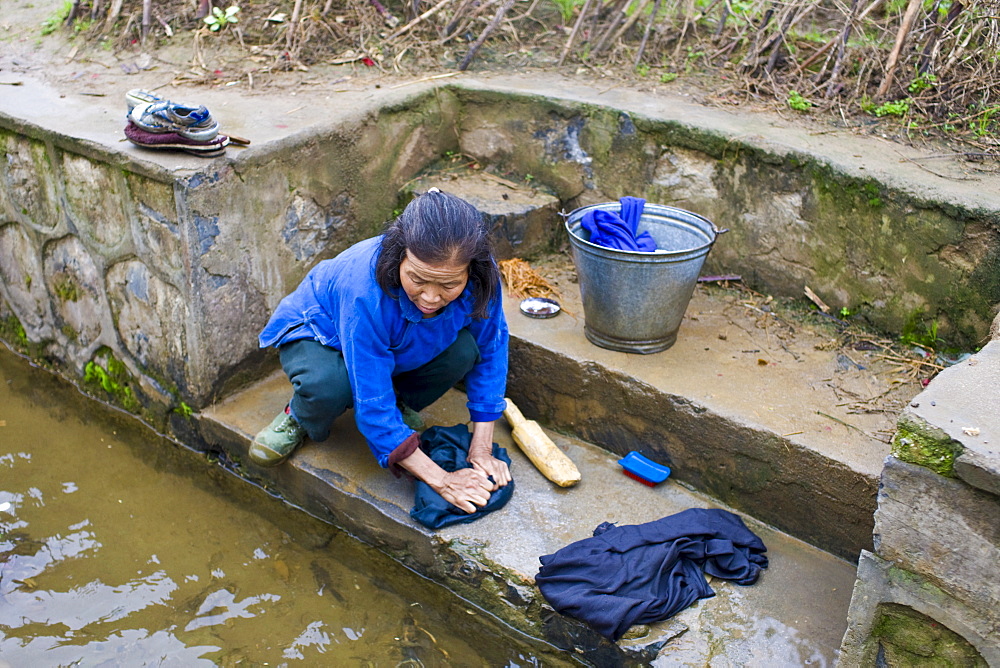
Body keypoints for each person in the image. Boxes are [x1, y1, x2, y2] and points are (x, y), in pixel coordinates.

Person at [252, 188, 512, 514]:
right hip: (322, 332)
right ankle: (300, 416)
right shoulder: (363, 289)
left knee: (465, 351)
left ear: (470, 270)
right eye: (417, 279)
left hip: (397, 338)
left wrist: (482, 448)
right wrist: (443, 480)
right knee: (330, 386)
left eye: (448, 285)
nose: (431, 297)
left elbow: (492, 346)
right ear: (399, 256)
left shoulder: (482, 273)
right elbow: (371, 405)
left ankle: (398, 403)